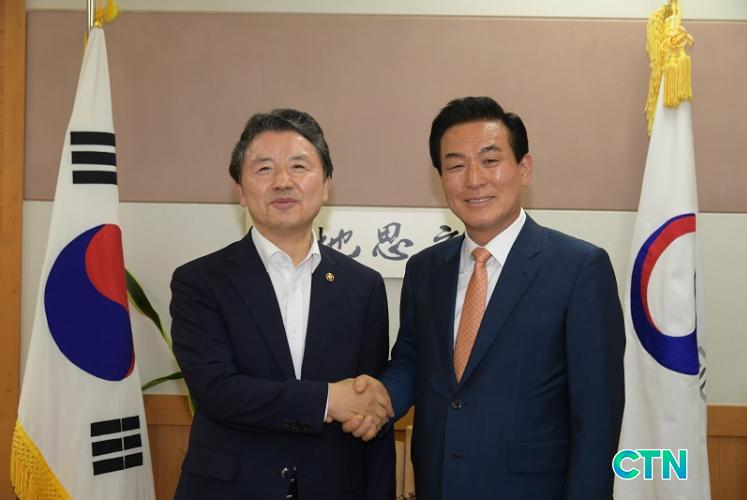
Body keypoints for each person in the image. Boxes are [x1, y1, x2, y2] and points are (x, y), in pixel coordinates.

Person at [346, 96, 625, 499]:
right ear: (441, 178)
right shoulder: (425, 270)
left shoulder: (579, 268)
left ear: (524, 168)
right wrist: (380, 399)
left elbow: (597, 416)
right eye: (456, 166)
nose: (474, 179)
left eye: (490, 160)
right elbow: (411, 360)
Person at [170, 108, 395, 500]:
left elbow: (368, 406)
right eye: (264, 169)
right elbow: (217, 391)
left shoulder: (363, 286)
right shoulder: (200, 281)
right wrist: (328, 400)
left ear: (326, 185)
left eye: (299, 166)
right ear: (240, 191)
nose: (282, 181)